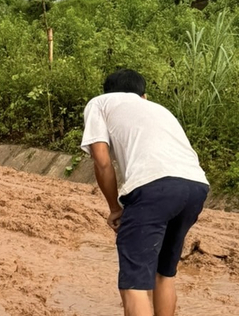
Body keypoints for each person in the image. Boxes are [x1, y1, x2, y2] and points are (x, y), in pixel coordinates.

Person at [81, 69, 209, 316]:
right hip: (196, 186)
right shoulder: (159, 109)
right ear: (144, 95)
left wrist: (115, 208)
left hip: (153, 187)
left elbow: (102, 160)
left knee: (134, 283)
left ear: (108, 92)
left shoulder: (100, 103)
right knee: (164, 273)